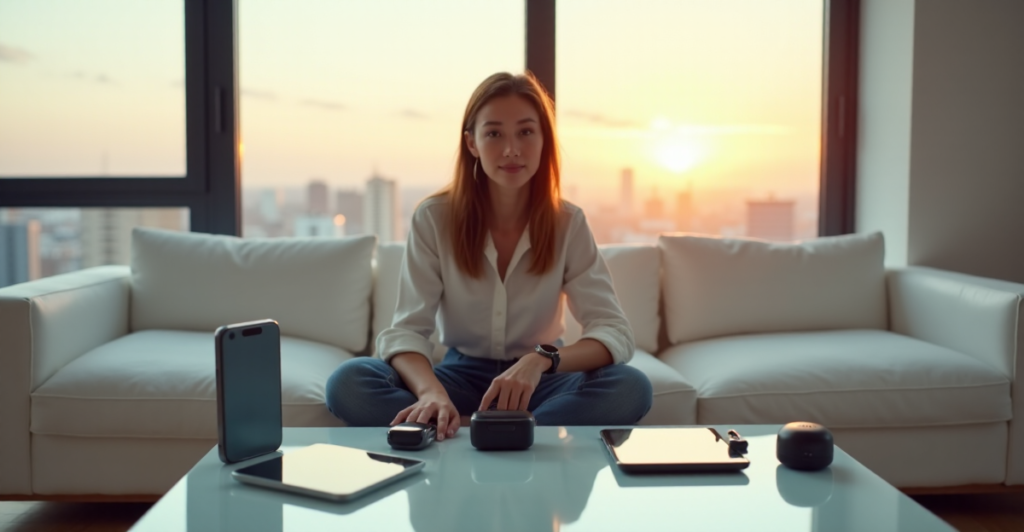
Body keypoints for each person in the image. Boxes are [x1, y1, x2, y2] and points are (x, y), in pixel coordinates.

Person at [325, 71, 653, 441]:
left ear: (544, 140)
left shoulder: (568, 222)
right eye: (494, 133)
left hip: (541, 379)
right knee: (349, 382)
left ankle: (464, 431)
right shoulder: (435, 218)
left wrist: (541, 360)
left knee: (630, 386)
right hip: (460, 375)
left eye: (526, 132)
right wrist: (432, 393)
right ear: (472, 144)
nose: (511, 149)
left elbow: (614, 331)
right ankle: (514, 431)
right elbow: (406, 332)